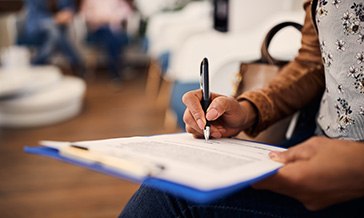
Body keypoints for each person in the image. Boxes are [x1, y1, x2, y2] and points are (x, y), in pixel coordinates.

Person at [120, 0, 364, 217]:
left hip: (343, 176)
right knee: (173, 183)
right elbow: (313, 61)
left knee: (170, 199)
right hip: (314, 145)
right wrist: (249, 109)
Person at [20, 0, 84, 75]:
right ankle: (76, 63)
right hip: (36, 27)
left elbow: (69, 8)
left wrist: (67, 13)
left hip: (57, 29)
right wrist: (54, 19)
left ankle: (36, 64)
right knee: (54, 31)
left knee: (54, 33)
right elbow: (36, 15)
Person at [80, 0, 133, 82]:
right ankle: (117, 70)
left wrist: (114, 17)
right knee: (112, 37)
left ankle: (115, 72)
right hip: (97, 31)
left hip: (114, 30)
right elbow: (85, 15)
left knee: (112, 38)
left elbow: (127, 12)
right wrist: (100, 19)